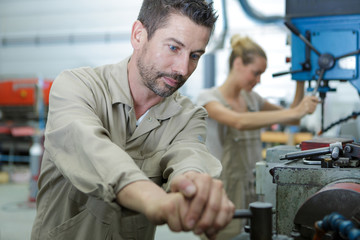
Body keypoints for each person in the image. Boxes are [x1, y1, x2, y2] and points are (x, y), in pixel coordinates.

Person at [30, 1, 236, 240]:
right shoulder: (77, 86)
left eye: (195, 56)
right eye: (173, 48)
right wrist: (154, 200)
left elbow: (189, 156)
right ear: (138, 35)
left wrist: (195, 187)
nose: (182, 69)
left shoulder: (189, 116)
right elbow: (89, 146)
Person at [196, 34, 319, 239]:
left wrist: (300, 79)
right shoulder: (208, 98)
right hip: (223, 190)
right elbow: (239, 121)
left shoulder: (251, 98)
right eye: (256, 73)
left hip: (254, 187)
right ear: (237, 63)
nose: (259, 80)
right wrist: (296, 112)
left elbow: (293, 119)